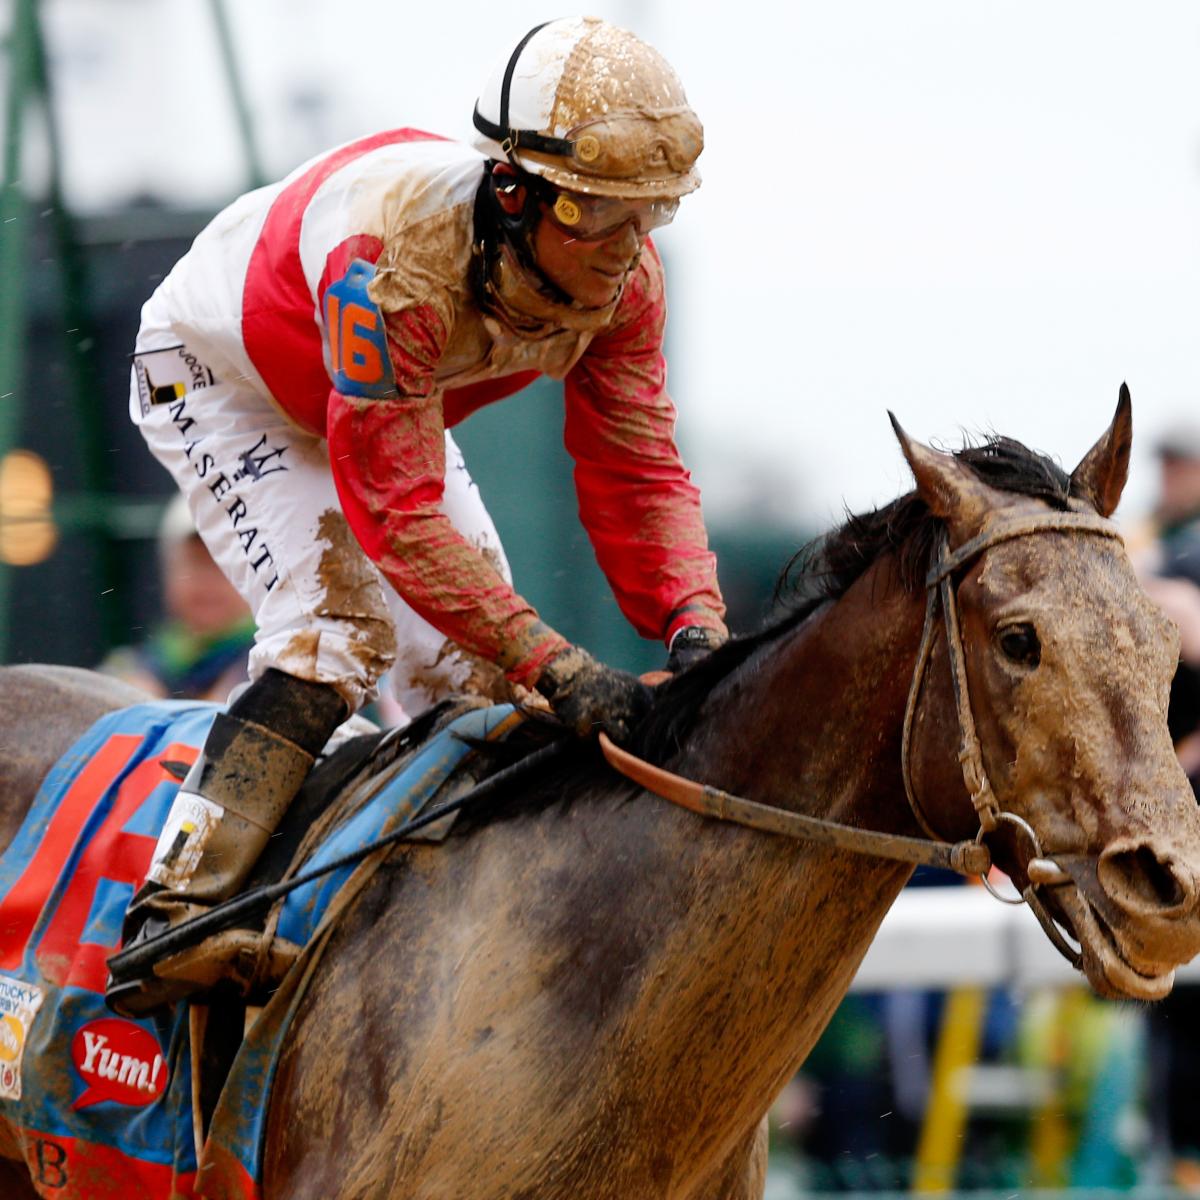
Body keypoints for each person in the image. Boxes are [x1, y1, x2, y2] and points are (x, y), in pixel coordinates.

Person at [105, 16, 728, 1016]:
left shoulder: (623, 284)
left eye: (646, 217)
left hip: (378, 404)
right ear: (514, 192)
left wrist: (696, 625)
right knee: (338, 631)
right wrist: (559, 661)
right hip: (221, 380)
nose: (623, 254)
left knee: (478, 679)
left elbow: (640, 465)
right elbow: (393, 515)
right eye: (597, 216)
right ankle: (177, 908)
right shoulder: (388, 263)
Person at [99, 494, 255, 702]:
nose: (208, 581)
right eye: (196, 562)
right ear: (168, 571)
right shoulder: (135, 667)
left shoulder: (281, 666)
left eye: (223, 565)